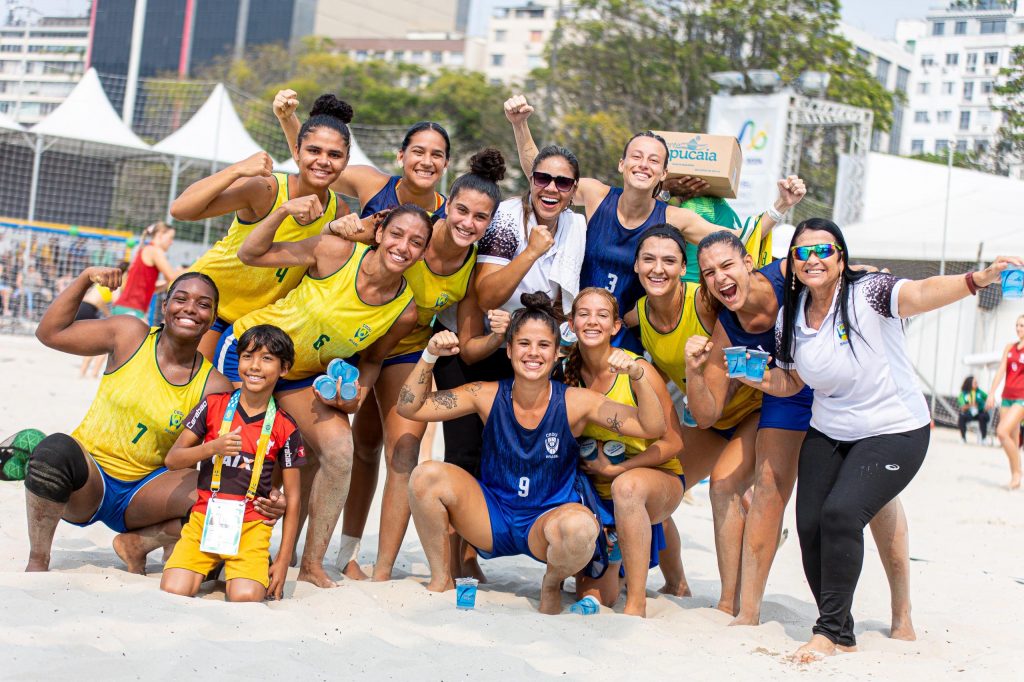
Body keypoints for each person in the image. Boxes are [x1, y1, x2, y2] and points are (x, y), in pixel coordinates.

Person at [755, 217, 1021, 661]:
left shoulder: (869, 293)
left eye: (824, 250)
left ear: (841, 257)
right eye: (802, 253)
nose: (813, 259)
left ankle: (829, 632)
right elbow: (793, 381)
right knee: (810, 525)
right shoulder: (791, 316)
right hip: (830, 429)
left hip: (895, 429)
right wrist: (754, 378)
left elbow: (921, 293)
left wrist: (979, 279)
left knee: (842, 512)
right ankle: (842, 628)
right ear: (793, 264)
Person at [686, 230, 915, 637]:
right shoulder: (727, 329)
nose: (720, 278)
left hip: (840, 385)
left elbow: (837, 268)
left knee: (878, 499)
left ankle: (902, 614)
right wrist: (698, 370)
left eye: (727, 266)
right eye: (709, 273)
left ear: (748, 262)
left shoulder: (786, 275)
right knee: (769, 484)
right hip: (786, 392)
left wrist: (864, 272)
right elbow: (706, 415)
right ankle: (748, 610)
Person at [399, 293, 666, 614]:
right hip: (492, 515)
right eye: (524, 343)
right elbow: (409, 407)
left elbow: (650, 426)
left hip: (547, 522)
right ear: (509, 349)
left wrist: (637, 375)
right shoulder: (484, 394)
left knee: (582, 529)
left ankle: (551, 582)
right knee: (425, 476)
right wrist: (429, 355)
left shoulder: (575, 401)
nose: (533, 353)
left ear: (556, 354)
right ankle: (441, 579)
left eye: (543, 345)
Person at [326, 150, 513, 582]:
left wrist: (500, 335)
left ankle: (382, 569)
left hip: (407, 350)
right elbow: (345, 245)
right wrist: (342, 226)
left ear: (489, 223)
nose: (468, 222)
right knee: (358, 447)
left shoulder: (470, 264)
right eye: (462, 210)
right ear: (446, 205)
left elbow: (467, 348)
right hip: (356, 342)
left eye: (480, 217)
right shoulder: (411, 231)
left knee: (404, 453)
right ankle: (341, 552)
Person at [25, 267, 286, 574]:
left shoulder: (213, 385)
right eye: (181, 299)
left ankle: (139, 543)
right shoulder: (129, 334)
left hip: (147, 494)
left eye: (203, 304)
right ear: (165, 307)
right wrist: (84, 279)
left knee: (224, 500)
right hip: (89, 481)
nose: (190, 308)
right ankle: (37, 561)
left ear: (212, 318)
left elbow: (233, 460)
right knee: (52, 451)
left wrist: (269, 500)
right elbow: (49, 333)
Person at [225, 203, 429, 588]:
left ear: (422, 253)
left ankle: (312, 563)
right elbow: (250, 253)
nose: (404, 246)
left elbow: (372, 359)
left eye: (417, 242)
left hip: (299, 377)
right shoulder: (337, 252)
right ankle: (212, 543)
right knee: (242, 449)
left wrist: (358, 396)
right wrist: (283, 209)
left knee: (339, 450)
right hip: (249, 353)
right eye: (398, 234)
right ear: (380, 232)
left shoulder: (404, 310)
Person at [504, 94, 804, 352]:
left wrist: (780, 206)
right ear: (622, 164)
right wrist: (520, 124)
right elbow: (543, 174)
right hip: (574, 327)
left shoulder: (674, 217)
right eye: (636, 156)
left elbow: (735, 239)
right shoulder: (597, 195)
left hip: (627, 334)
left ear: (663, 173)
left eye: (653, 161)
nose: (643, 165)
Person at [623, 225, 763, 606]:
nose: (658, 269)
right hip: (710, 418)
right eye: (649, 259)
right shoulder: (637, 314)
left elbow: (745, 278)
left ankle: (729, 601)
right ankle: (677, 582)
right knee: (660, 488)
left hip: (755, 408)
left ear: (684, 268)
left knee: (722, 486)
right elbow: (604, 325)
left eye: (669, 260)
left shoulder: (703, 301)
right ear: (635, 265)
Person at [172, 94, 351, 359]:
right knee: (190, 387)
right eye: (314, 151)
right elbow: (181, 209)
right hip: (210, 304)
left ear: (346, 162)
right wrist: (237, 170)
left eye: (334, 155)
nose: (324, 161)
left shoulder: (339, 213)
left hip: (255, 325)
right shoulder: (266, 189)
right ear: (296, 152)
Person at [562, 287, 685, 617]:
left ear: (616, 327)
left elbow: (673, 443)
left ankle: (637, 605)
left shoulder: (636, 369)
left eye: (602, 315)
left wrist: (620, 469)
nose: (592, 321)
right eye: (584, 314)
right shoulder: (563, 372)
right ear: (571, 324)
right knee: (591, 594)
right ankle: (613, 566)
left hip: (651, 482)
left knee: (626, 488)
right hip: (593, 493)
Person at [161, 324, 303, 602]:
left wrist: (284, 560)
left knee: (245, 597)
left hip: (252, 525)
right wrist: (211, 448)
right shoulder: (213, 405)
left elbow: (294, 497)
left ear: (284, 368)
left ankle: (243, 564)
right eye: (247, 356)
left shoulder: (286, 426)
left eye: (267, 359)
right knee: (174, 589)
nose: (255, 366)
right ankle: (216, 562)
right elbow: (172, 459)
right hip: (205, 518)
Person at [274, 89, 449, 219]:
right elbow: (317, 167)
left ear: (446, 164)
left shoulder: (452, 215)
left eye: (436, 155)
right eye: (418, 152)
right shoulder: (372, 183)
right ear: (401, 156)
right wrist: (287, 118)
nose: (427, 162)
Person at [110, 222, 181, 321]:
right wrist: (192, 268)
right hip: (131, 309)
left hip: (122, 308)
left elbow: (153, 288)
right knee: (148, 335)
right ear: (160, 235)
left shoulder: (146, 250)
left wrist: (166, 283)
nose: (171, 242)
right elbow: (172, 276)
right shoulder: (154, 251)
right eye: (170, 237)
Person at [986, 315, 1024, 488]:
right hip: (1006, 397)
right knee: (1013, 439)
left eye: (1022, 325)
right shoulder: (1010, 347)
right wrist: (992, 393)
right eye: (1017, 325)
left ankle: (1017, 473)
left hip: (1021, 398)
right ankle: (1014, 478)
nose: (1018, 328)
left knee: (1001, 432)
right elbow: (1001, 370)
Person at [77, 260, 129, 378]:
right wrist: (109, 314)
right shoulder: (116, 283)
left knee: (95, 344)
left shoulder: (107, 279)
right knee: (103, 344)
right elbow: (112, 303)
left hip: (83, 307)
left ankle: (83, 372)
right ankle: (94, 373)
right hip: (89, 309)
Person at [957, 375, 990, 443]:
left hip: (980, 412)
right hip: (969, 413)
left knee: (983, 417)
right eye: (974, 382)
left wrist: (987, 406)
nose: (976, 384)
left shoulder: (980, 392)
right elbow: (962, 406)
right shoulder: (963, 394)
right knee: (961, 417)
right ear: (969, 383)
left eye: (976, 382)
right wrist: (971, 405)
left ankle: (984, 439)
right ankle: (963, 438)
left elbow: (989, 399)